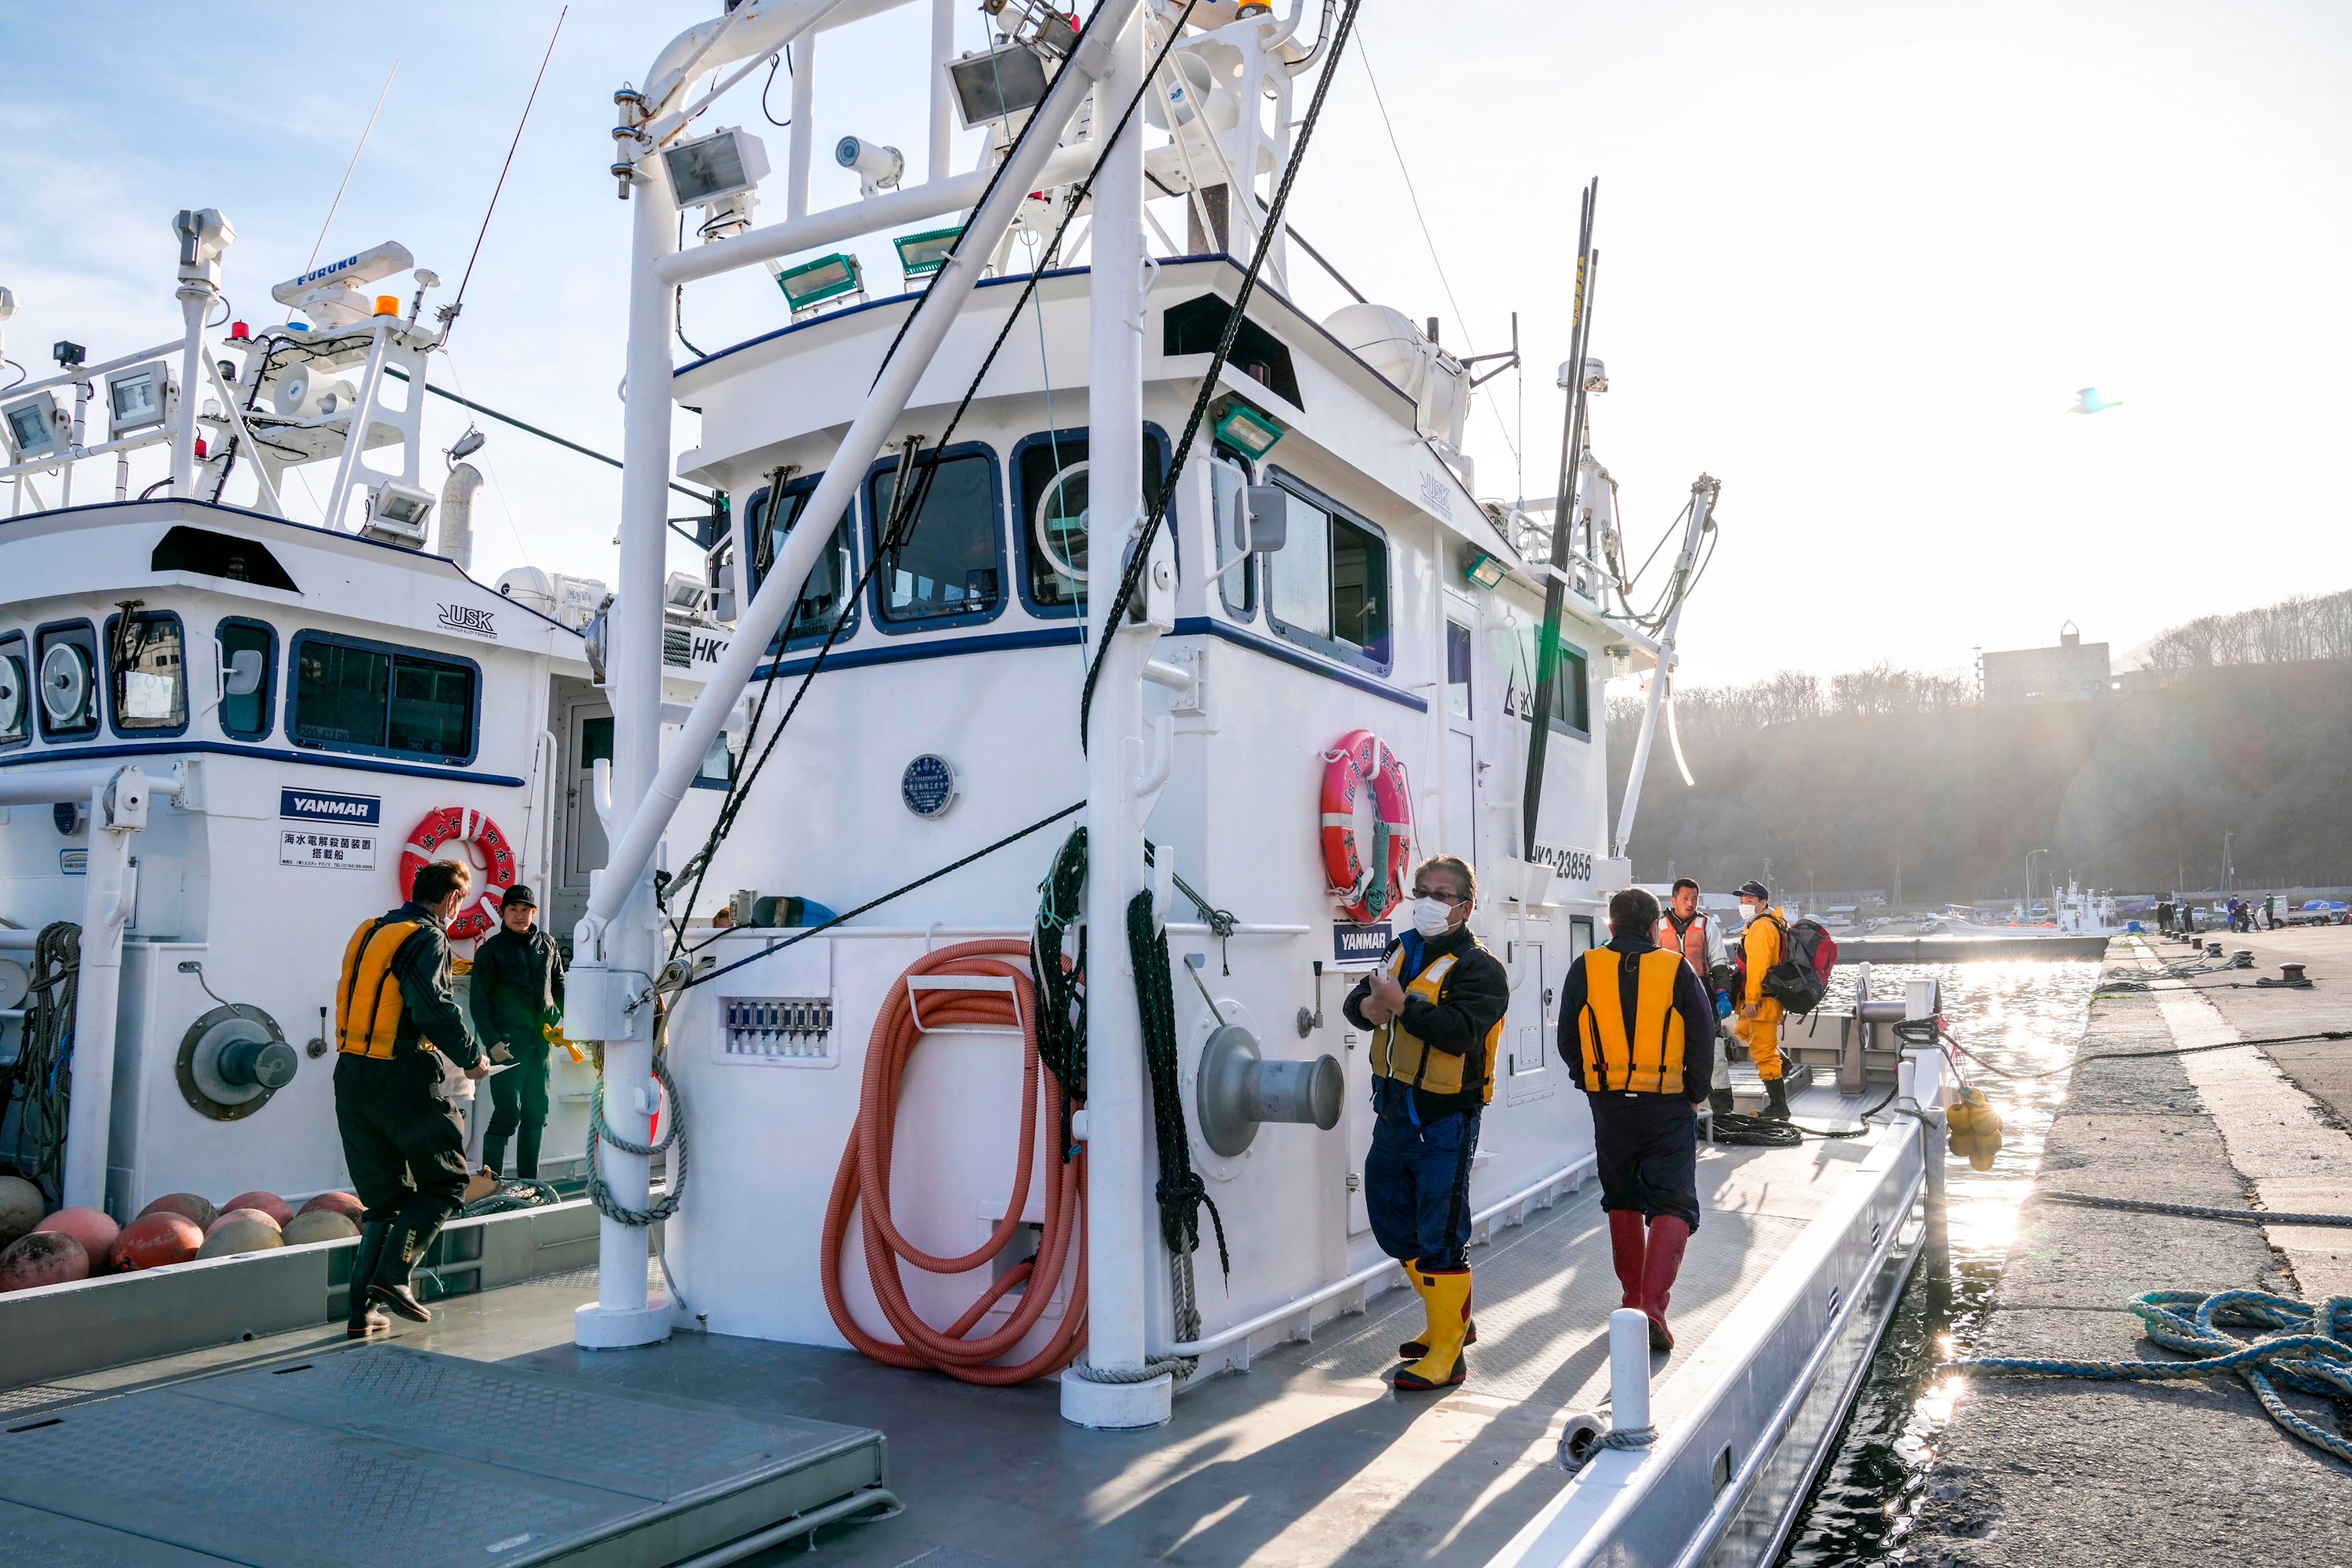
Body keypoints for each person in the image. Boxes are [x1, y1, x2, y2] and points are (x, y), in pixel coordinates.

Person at [1342, 854, 1509, 1393]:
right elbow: (1359, 999)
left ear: (1465, 905)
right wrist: (1365, 1007)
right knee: (1391, 1222)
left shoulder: (1480, 968)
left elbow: (1460, 1033)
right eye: (1423, 891)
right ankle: (1452, 1321)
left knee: (1439, 1234)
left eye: (1443, 894)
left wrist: (1400, 1006)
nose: (1430, 902)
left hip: (1443, 1120)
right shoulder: (1402, 947)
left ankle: (1448, 1354)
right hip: (1392, 1110)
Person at [333, 858, 489, 1337]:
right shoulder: (427, 937)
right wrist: (471, 1058)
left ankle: (362, 1314)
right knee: (445, 1184)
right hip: (400, 1077)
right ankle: (395, 1278)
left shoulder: (372, 930)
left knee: (385, 1202)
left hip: (351, 1075)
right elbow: (433, 1006)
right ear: (449, 901)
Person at [1561, 886, 1714, 1351]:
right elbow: (1701, 1036)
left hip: (1609, 1106)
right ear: (1654, 928)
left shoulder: (1584, 968)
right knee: (1673, 1202)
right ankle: (1652, 1309)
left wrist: (1589, 1083)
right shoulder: (1676, 969)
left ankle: (1630, 1302)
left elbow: (1568, 1035)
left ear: (1609, 926)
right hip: (1666, 1104)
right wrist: (1694, 1094)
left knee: (1622, 1198)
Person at [469, 883, 564, 1181]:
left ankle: (529, 1184)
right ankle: (491, 1185)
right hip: (507, 1045)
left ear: (533, 912)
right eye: (513, 909)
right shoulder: (490, 952)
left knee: (537, 1112)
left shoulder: (548, 944)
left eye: (526, 910)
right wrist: (493, 1042)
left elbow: (559, 986)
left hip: (541, 1042)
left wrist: (561, 1021)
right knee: (508, 1111)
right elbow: (479, 1003)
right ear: (502, 912)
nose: (520, 915)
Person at [1656, 878, 1734, 1116]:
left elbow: (1720, 962)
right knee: (1669, 1049)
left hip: (1702, 991)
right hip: (1667, 994)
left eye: (1694, 899)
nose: (1690, 904)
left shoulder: (1706, 925)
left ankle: (1723, 1114)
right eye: (1685, 899)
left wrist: (1723, 994)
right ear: (1674, 900)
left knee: (1714, 1052)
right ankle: (1674, 1109)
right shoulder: (1658, 925)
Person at [1731, 880, 1792, 1120]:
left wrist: (1753, 998)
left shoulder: (1762, 927)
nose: (1744, 904)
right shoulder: (1767, 922)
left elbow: (1757, 966)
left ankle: (1779, 1107)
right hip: (1763, 996)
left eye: (1750, 900)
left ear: (1763, 903)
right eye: (1742, 900)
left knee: (1763, 1053)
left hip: (1763, 999)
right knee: (1742, 1029)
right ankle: (1782, 1062)